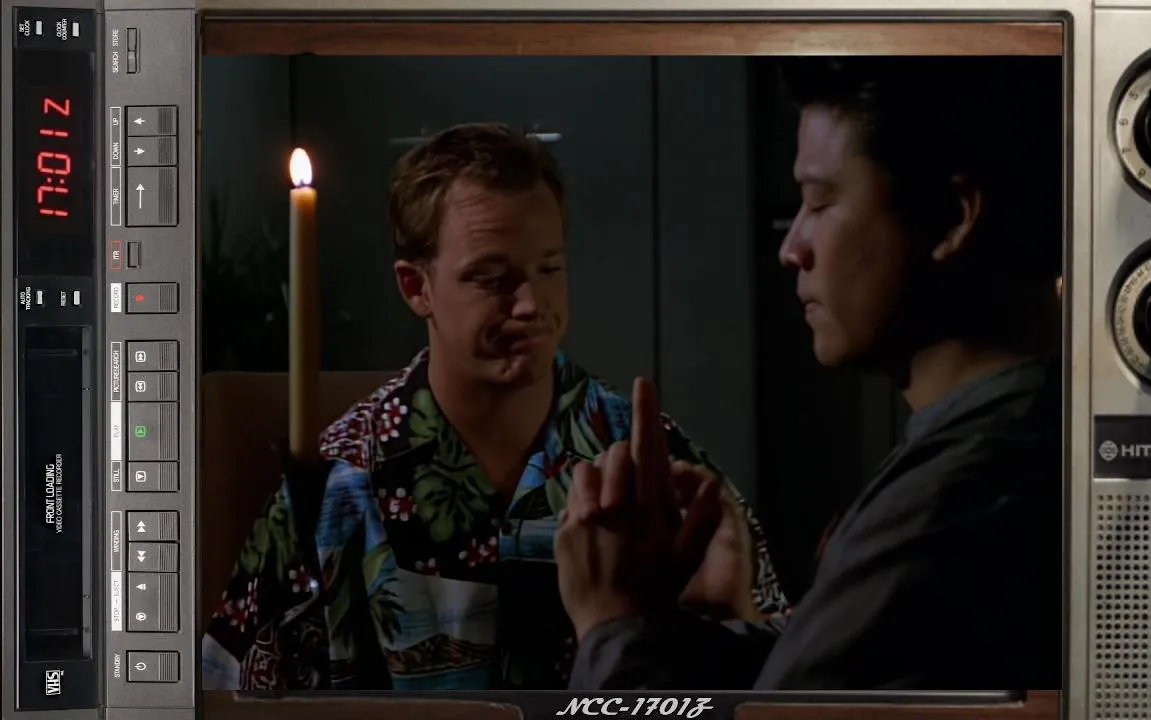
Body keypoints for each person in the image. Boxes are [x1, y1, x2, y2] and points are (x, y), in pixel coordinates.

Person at [201, 123, 788, 691]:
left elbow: (781, 686)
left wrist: (731, 626)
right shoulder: (340, 482)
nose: (532, 304)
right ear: (416, 287)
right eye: (491, 279)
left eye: (549, 269)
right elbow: (235, 696)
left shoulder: (649, 467)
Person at [555, 56, 1063, 691]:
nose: (791, 247)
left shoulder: (961, 496)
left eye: (820, 201)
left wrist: (611, 624)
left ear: (952, 217)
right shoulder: (1003, 445)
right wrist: (722, 629)